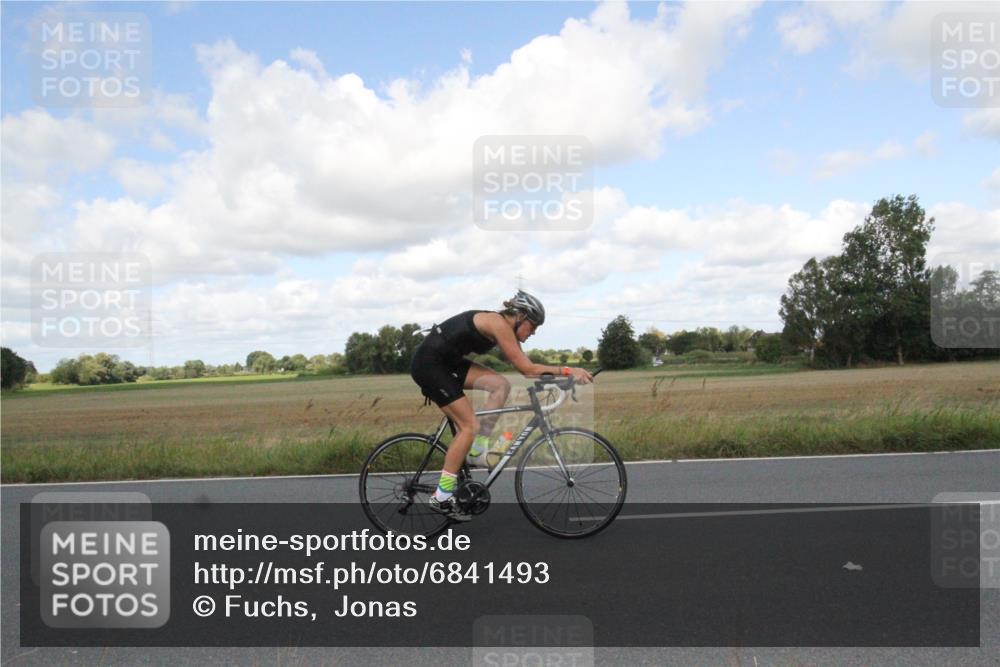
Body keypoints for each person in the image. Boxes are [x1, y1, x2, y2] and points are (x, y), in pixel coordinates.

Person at [410, 290, 593, 521]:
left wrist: (559, 378)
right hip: (430, 365)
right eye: (534, 326)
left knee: (500, 385)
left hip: (447, 363)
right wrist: (568, 370)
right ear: (521, 317)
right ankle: (442, 495)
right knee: (469, 425)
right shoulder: (498, 324)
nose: (534, 332)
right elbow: (527, 370)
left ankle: (477, 449)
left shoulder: (504, 328)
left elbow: (529, 366)